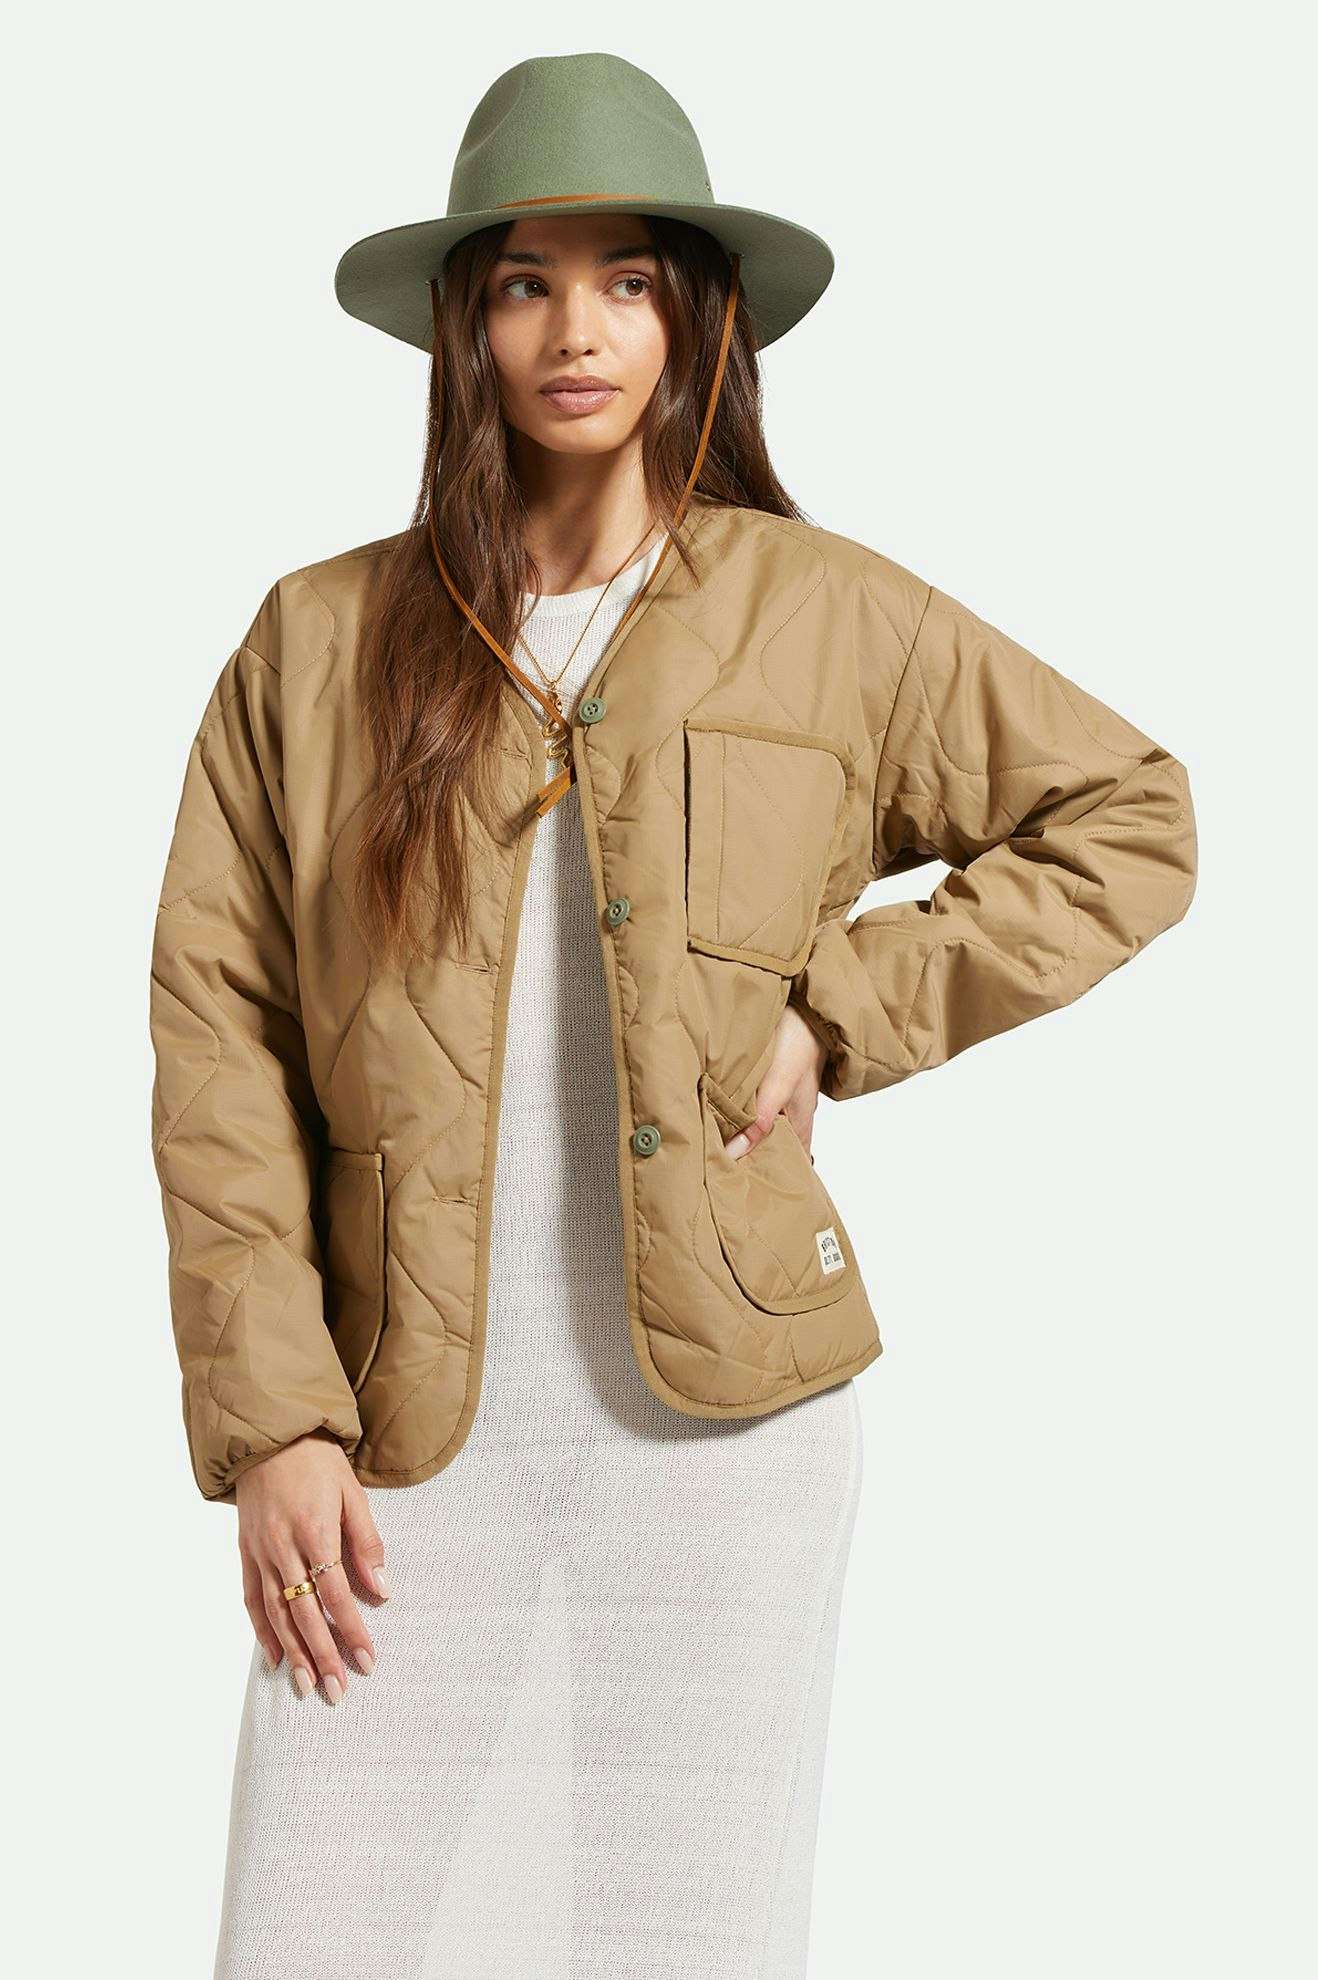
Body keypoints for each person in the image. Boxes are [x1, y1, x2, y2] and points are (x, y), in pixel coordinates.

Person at [148, 50, 1198, 1979]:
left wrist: (843, 1010)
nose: (577, 331)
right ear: (464, 324)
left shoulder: (824, 612)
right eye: (526, 282)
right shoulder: (314, 641)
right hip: (392, 1440)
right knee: (310, 1934)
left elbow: (1129, 818)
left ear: (691, 313)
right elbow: (217, 1038)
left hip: (729, 1441)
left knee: (683, 1944)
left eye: (626, 280)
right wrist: (273, 1417)